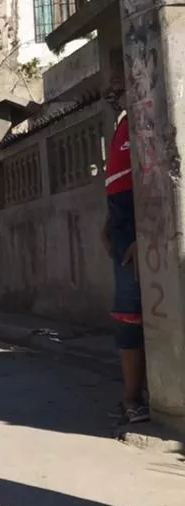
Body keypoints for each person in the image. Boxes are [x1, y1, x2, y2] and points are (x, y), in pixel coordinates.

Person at [102, 74, 149, 425]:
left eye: (120, 85)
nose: (113, 90)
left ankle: (135, 401)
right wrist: (107, 227)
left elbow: (153, 180)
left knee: (133, 315)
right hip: (121, 232)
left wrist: (144, 236)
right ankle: (134, 399)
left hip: (139, 234)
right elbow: (119, 184)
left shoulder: (148, 120)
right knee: (127, 315)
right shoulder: (123, 126)